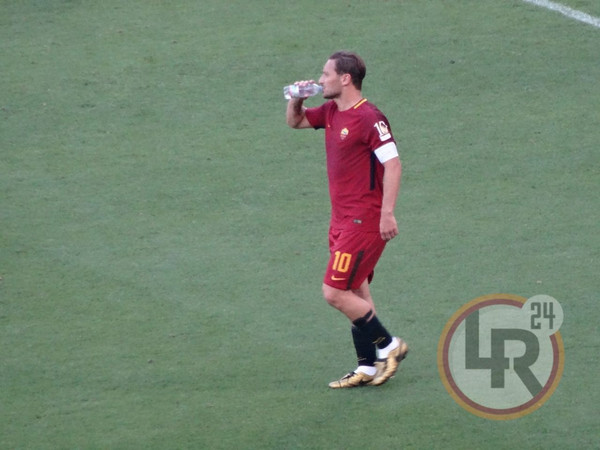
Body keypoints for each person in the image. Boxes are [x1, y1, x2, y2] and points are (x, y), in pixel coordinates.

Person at [286, 51, 408, 388]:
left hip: (363, 222)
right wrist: (297, 99)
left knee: (334, 292)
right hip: (340, 221)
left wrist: (387, 213)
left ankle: (389, 346)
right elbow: (295, 122)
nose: (320, 79)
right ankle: (367, 366)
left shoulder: (369, 118)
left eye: (325, 74)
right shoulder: (331, 112)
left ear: (345, 79)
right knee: (356, 290)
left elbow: (393, 164)